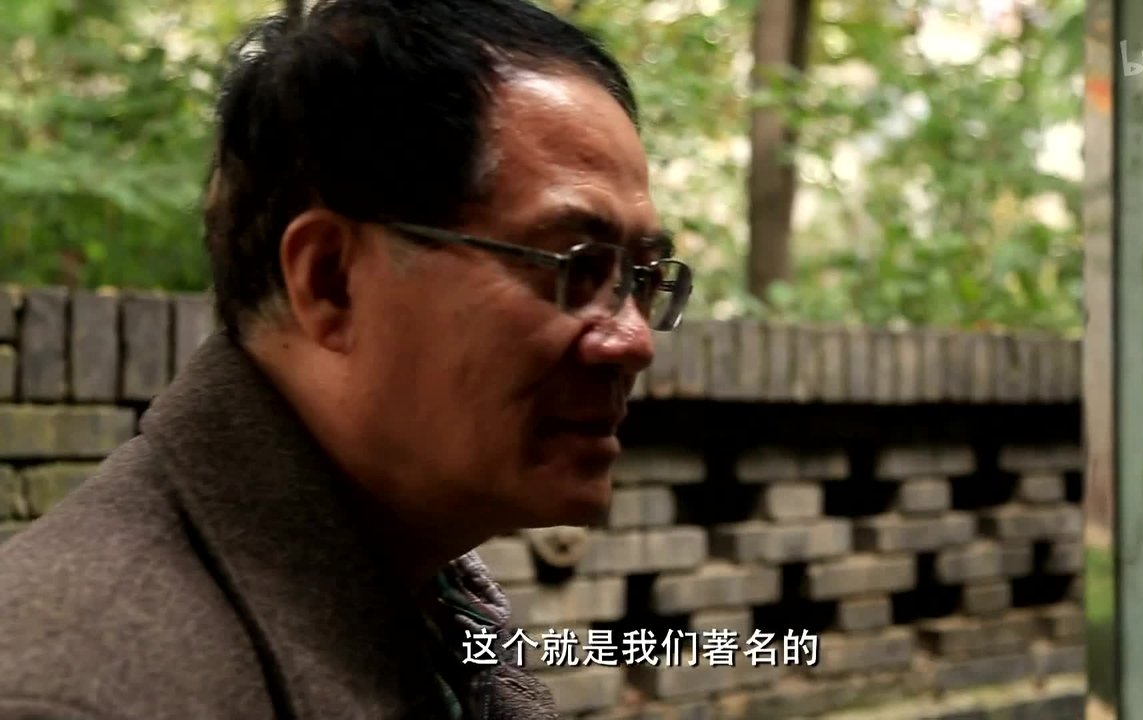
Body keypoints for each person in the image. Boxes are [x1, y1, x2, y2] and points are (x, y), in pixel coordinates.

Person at [0, 0, 692, 717]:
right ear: (331, 280)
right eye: (576, 265)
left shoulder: (430, 596)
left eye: (642, 277)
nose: (634, 341)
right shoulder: (74, 690)